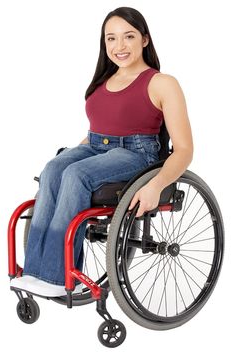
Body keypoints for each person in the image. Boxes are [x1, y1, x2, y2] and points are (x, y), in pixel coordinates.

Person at [10, 7, 193, 296]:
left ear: (145, 40)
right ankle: (36, 272)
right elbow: (98, 132)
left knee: (76, 175)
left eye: (128, 37)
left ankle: (56, 278)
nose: (119, 46)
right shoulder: (102, 82)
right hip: (96, 146)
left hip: (138, 154)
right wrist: (66, 156)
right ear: (104, 43)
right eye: (111, 39)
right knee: (54, 169)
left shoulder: (161, 83)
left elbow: (184, 150)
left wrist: (156, 185)